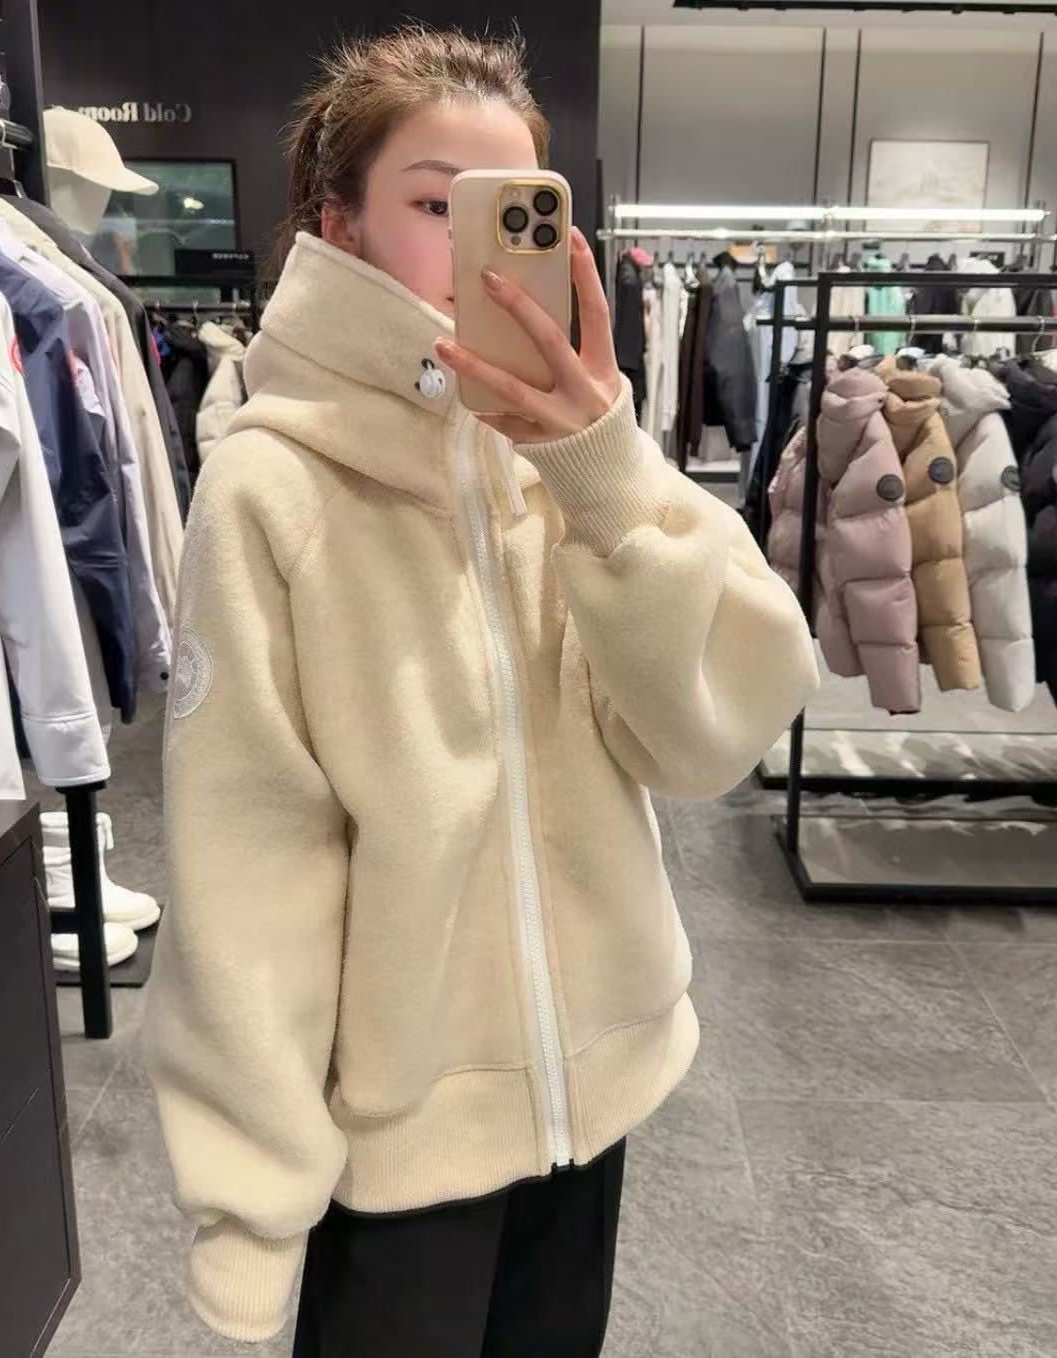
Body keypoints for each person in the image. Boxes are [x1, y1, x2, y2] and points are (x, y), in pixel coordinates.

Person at [142, 24, 818, 1358]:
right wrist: (250, 1206)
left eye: (513, 211)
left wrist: (603, 472)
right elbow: (246, 864)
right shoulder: (273, 484)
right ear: (337, 220)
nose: (479, 253)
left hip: (595, 1100)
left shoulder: (575, 456)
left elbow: (716, 732)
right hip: (398, 1142)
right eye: (433, 205)